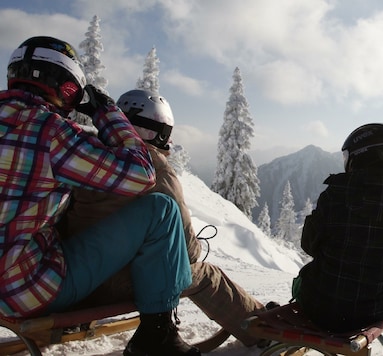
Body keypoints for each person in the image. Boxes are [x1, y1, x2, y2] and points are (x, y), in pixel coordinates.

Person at [0, 36, 200, 356]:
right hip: (24, 290)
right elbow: (141, 173)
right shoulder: (52, 133)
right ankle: (156, 337)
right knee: (160, 209)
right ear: (67, 88)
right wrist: (105, 113)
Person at [61, 88, 268, 347]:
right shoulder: (153, 168)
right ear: (156, 132)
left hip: (72, 275)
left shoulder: (88, 158)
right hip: (112, 285)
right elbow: (188, 251)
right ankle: (260, 328)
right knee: (204, 274)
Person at [292, 123, 383, 355]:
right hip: (376, 309)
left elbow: (309, 245)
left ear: (363, 154)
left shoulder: (337, 192)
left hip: (319, 305)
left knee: (303, 279)